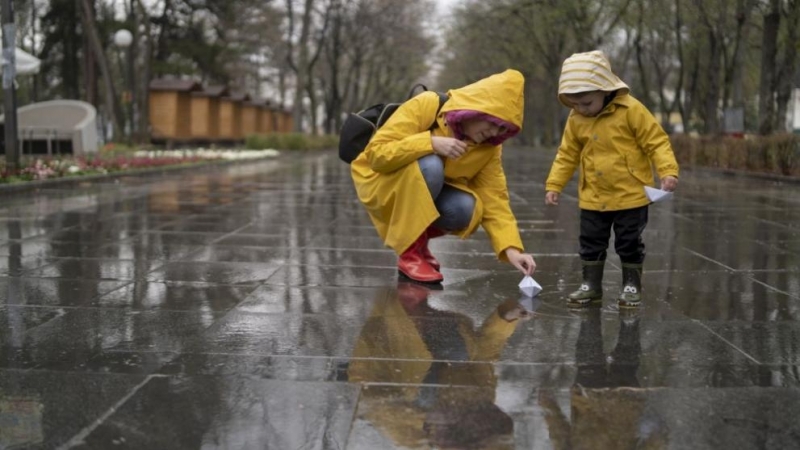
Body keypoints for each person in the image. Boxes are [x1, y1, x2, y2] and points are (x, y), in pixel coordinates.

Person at [351, 69, 536, 284]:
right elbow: (377, 155)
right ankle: (409, 253)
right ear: (477, 110)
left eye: (503, 128)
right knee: (431, 166)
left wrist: (512, 249)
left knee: (465, 208)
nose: (495, 133)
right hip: (382, 182)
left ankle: (418, 244)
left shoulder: (490, 148)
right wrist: (430, 143)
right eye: (493, 122)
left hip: (422, 189)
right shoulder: (427, 105)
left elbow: (494, 197)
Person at [544, 50, 679, 308]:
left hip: (631, 194)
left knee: (628, 242)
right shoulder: (576, 119)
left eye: (586, 104)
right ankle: (591, 285)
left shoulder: (631, 110)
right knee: (590, 241)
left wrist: (667, 171)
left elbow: (656, 141)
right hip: (593, 195)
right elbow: (567, 154)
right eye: (575, 105)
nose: (582, 110)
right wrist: (554, 184)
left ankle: (631, 284)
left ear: (604, 89)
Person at [346, 282, 532, 448]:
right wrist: (505, 320)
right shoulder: (482, 406)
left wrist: (434, 420)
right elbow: (482, 356)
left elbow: (367, 393)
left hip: (401, 343)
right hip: (445, 335)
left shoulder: (414, 436)